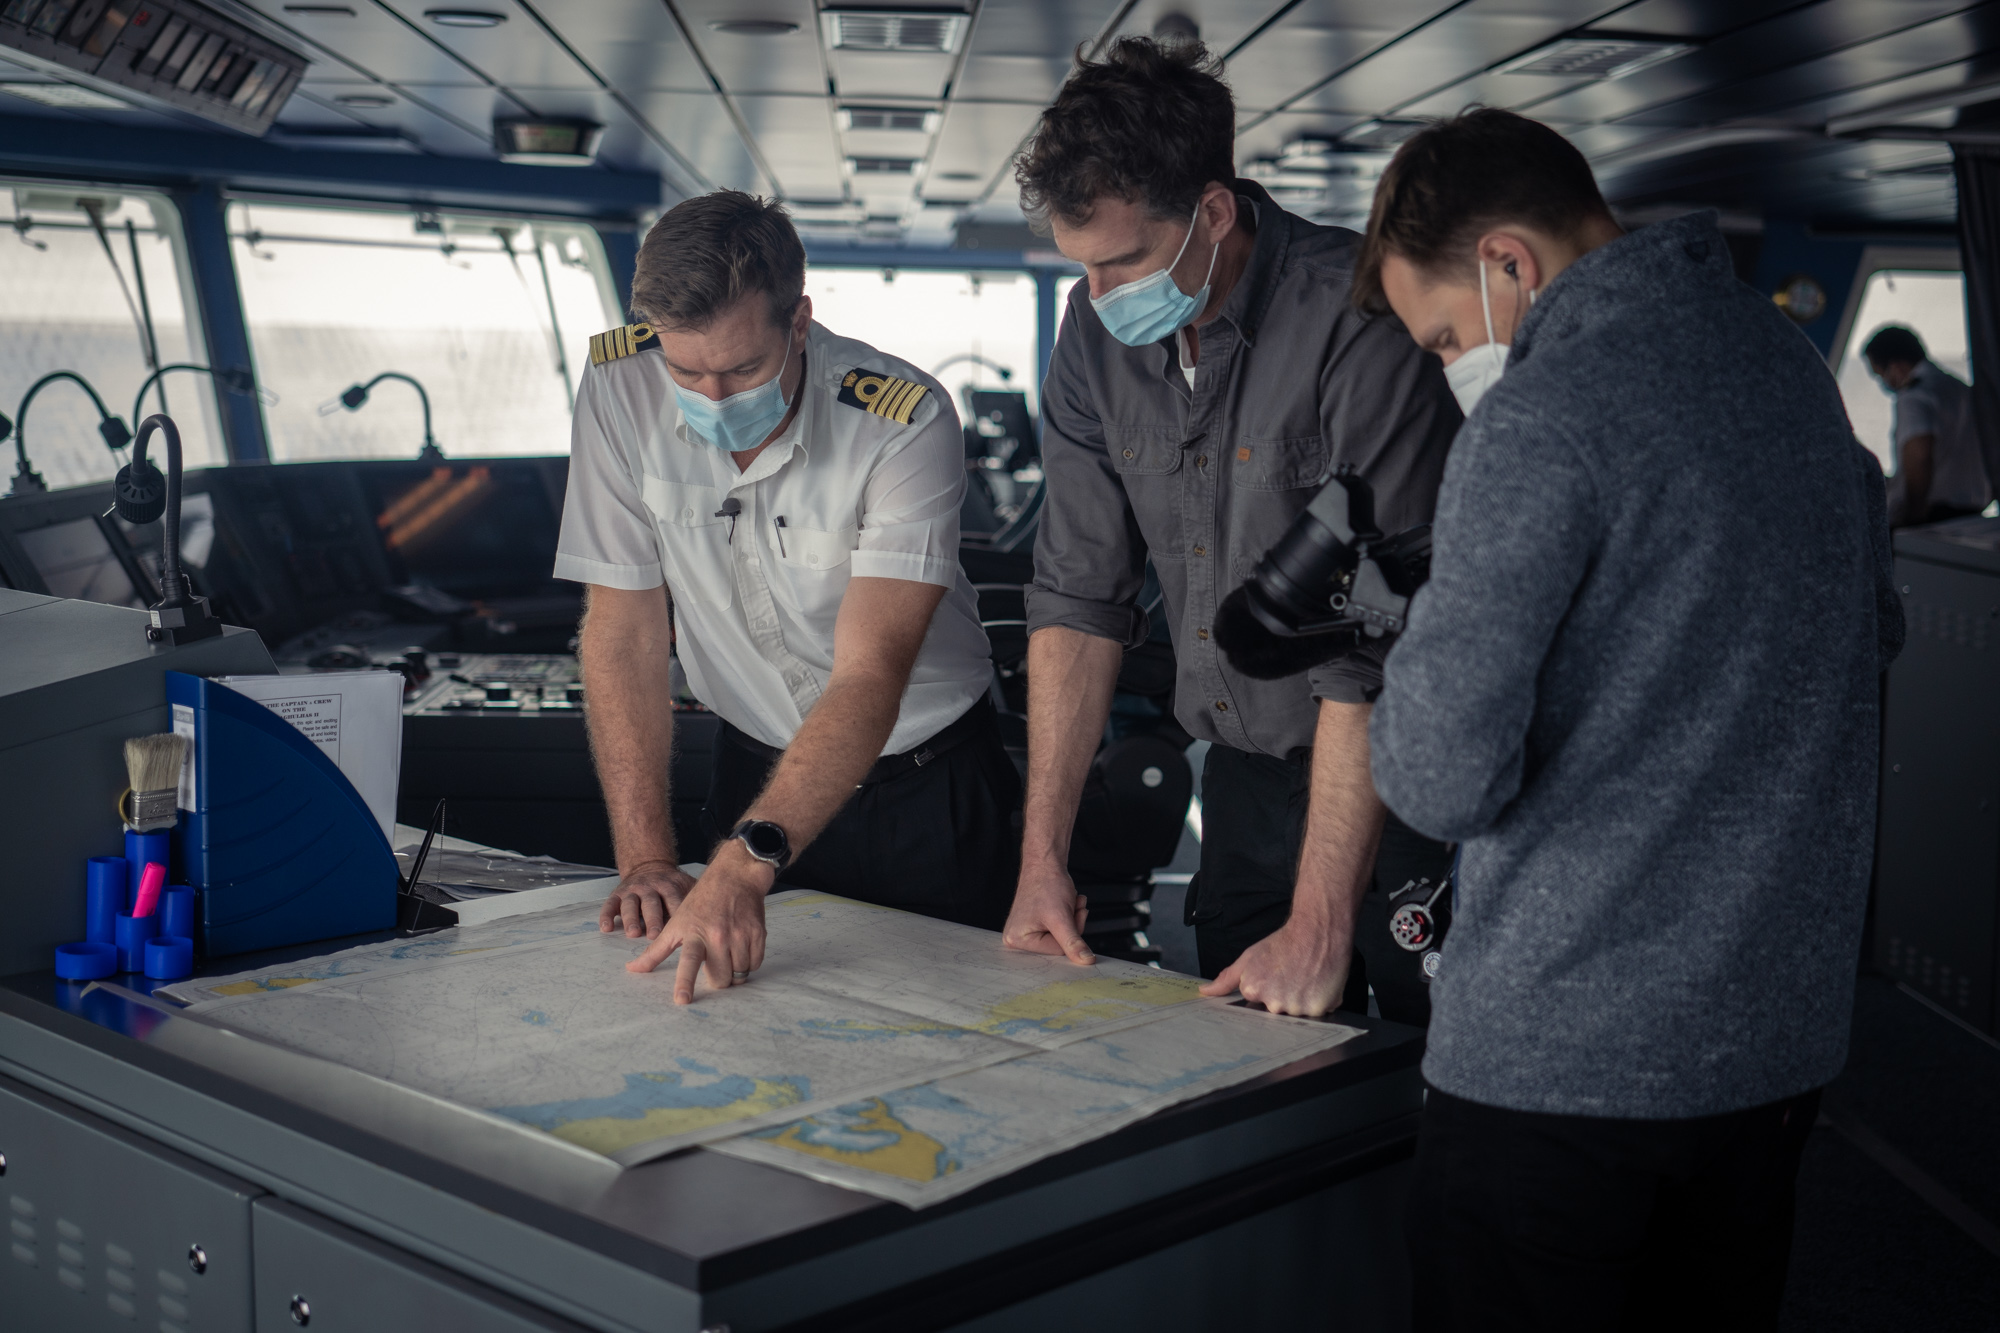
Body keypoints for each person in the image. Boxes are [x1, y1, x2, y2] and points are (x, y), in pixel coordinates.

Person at [1355, 109, 1903, 1328]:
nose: (1451, 364)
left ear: (1509, 262)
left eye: (1442, 334)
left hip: (1560, 1068)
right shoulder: (1790, 375)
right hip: (1767, 1050)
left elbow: (1439, 776)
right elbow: (1868, 637)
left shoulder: (1540, 414)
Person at [998, 37, 1462, 1023]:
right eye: (1078, 267)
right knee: (1252, 1097)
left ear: (1211, 212)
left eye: (1123, 260)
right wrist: (1044, 859)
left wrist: (1324, 916)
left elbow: (1377, 639)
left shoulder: (1356, 318)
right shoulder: (1092, 336)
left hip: (1407, 781)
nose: (1098, 295)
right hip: (1247, 789)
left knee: (1431, 1091)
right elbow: (1079, 598)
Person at [554, 191, 1017, 1004]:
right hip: (752, 767)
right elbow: (625, 629)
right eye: (686, 370)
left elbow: (870, 672)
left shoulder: (901, 419)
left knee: (955, 1026)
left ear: (798, 321)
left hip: (926, 785)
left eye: (742, 369)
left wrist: (745, 859)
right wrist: (648, 860)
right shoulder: (619, 382)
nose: (716, 400)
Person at [1864, 324, 1989, 526]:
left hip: (1930, 517)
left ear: (1895, 366)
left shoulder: (1914, 397)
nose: (1883, 382)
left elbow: (1920, 454)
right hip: (1973, 516)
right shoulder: (1962, 390)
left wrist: (1913, 515)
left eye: (1880, 374)